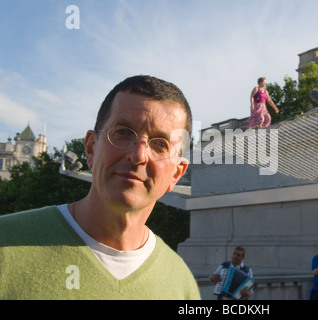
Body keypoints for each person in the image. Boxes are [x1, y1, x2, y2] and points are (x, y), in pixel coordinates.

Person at [0, 75, 201, 300]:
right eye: (123, 132)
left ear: (176, 173)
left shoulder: (181, 285)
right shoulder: (4, 247)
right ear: (91, 148)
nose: (138, 155)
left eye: (160, 144)